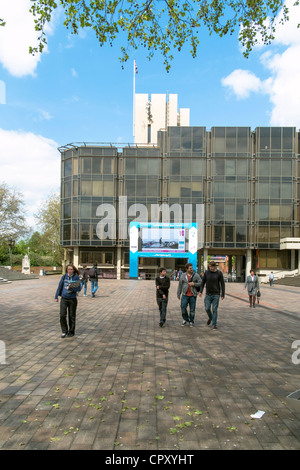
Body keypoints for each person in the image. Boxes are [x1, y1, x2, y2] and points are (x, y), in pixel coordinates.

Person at [55, 264, 82, 337]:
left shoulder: (76, 277)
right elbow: (60, 286)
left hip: (72, 299)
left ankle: (71, 331)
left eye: (71, 269)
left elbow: (79, 288)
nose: (69, 271)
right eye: (68, 269)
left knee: (72, 316)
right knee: (62, 315)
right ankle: (64, 331)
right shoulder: (64, 276)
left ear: (73, 270)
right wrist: (56, 296)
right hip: (64, 298)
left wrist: (70, 288)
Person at [199, 261, 225, 330]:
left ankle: (214, 324)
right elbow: (202, 283)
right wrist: (200, 291)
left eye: (212, 267)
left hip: (216, 294)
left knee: (214, 309)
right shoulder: (207, 273)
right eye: (210, 267)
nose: (211, 268)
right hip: (208, 294)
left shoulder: (219, 273)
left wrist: (223, 294)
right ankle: (211, 317)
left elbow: (222, 284)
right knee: (207, 308)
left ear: (215, 266)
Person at [177, 263, 201, 327]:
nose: (191, 269)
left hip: (193, 295)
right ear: (187, 269)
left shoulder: (196, 275)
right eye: (190, 268)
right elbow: (180, 285)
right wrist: (178, 293)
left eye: (192, 268)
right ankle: (185, 319)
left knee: (192, 309)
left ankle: (191, 321)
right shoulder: (183, 275)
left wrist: (194, 284)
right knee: (183, 307)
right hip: (185, 294)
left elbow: (200, 282)